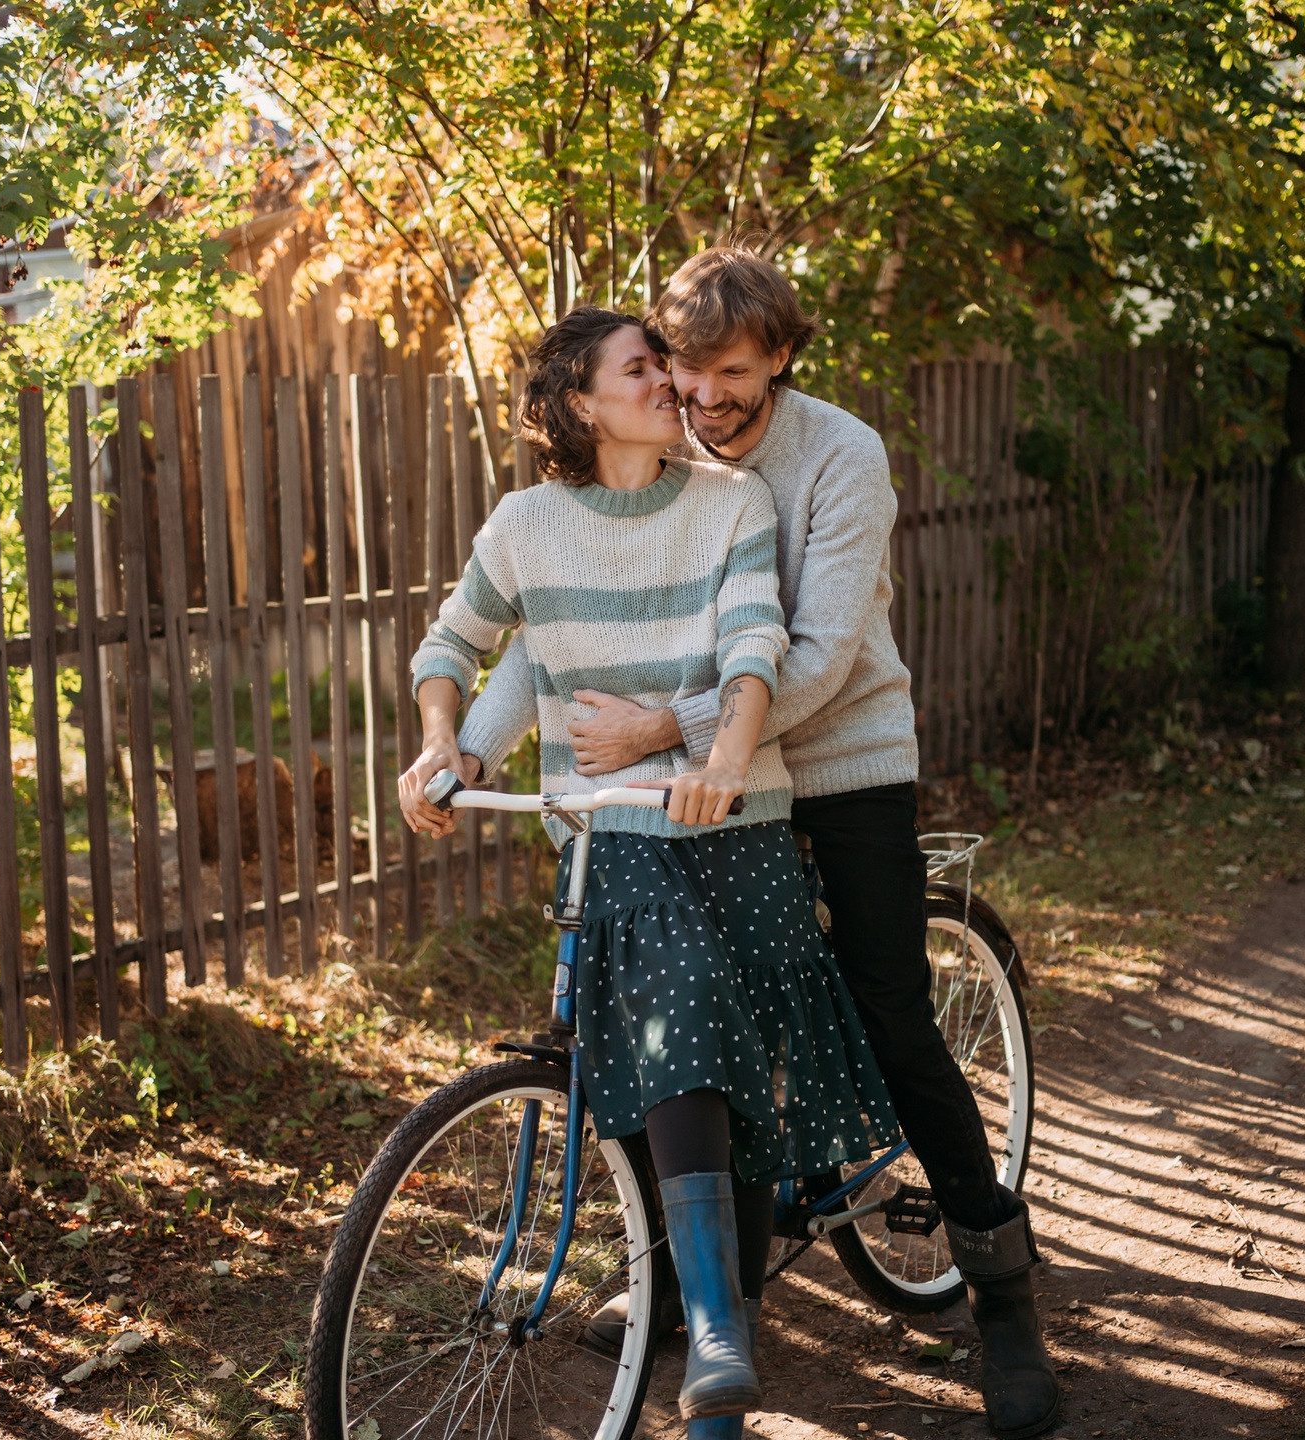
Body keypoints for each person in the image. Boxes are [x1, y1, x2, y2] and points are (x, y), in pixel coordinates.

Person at [450, 248, 1061, 1440]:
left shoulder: (839, 455)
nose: (704, 394)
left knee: (889, 1015)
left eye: (730, 372)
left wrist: (665, 728)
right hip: (684, 782)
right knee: (679, 1007)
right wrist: (470, 743)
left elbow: (820, 654)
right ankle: (697, 1279)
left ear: (779, 356)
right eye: (680, 366)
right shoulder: (658, 448)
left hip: (835, 762)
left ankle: (1000, 1298)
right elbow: (554, 615)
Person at [398, 306, 899, 1436]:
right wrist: (447, 745)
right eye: (643, 369)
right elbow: (466, 648)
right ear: (581, 401)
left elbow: (749, 647)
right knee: (670, 1008)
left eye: (668, 369)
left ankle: (715, 1318)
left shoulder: (732, 502)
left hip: (735, 819)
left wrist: (721, 759)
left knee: (723, 1041)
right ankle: (718, 1321)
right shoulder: (526, 525)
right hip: (611, 831)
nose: (670, 385)